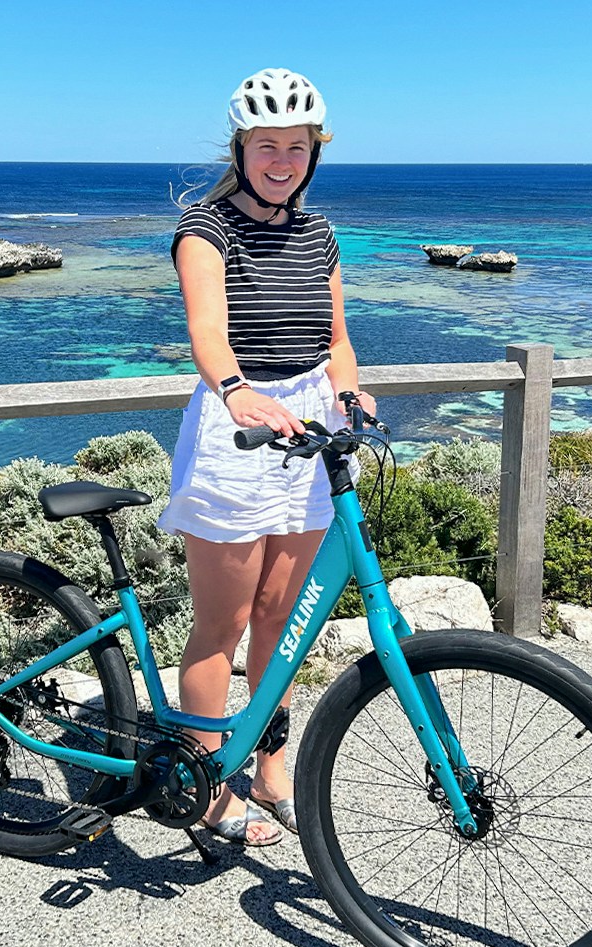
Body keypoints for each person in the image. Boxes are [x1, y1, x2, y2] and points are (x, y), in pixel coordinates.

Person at [159, 68, 376, 846]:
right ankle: (206, 774)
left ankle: (268, 759)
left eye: (295, 146)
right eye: (265, 146)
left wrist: (349, 395)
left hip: (309, 426)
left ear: (312, 153)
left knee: (281, 619)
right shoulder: (204, 228)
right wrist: (235, 390)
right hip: (238, 428)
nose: (280, 160)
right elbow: (207, 332)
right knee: (223, 623)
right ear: (241, 148)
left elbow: (338, 343)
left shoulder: (319, 234)